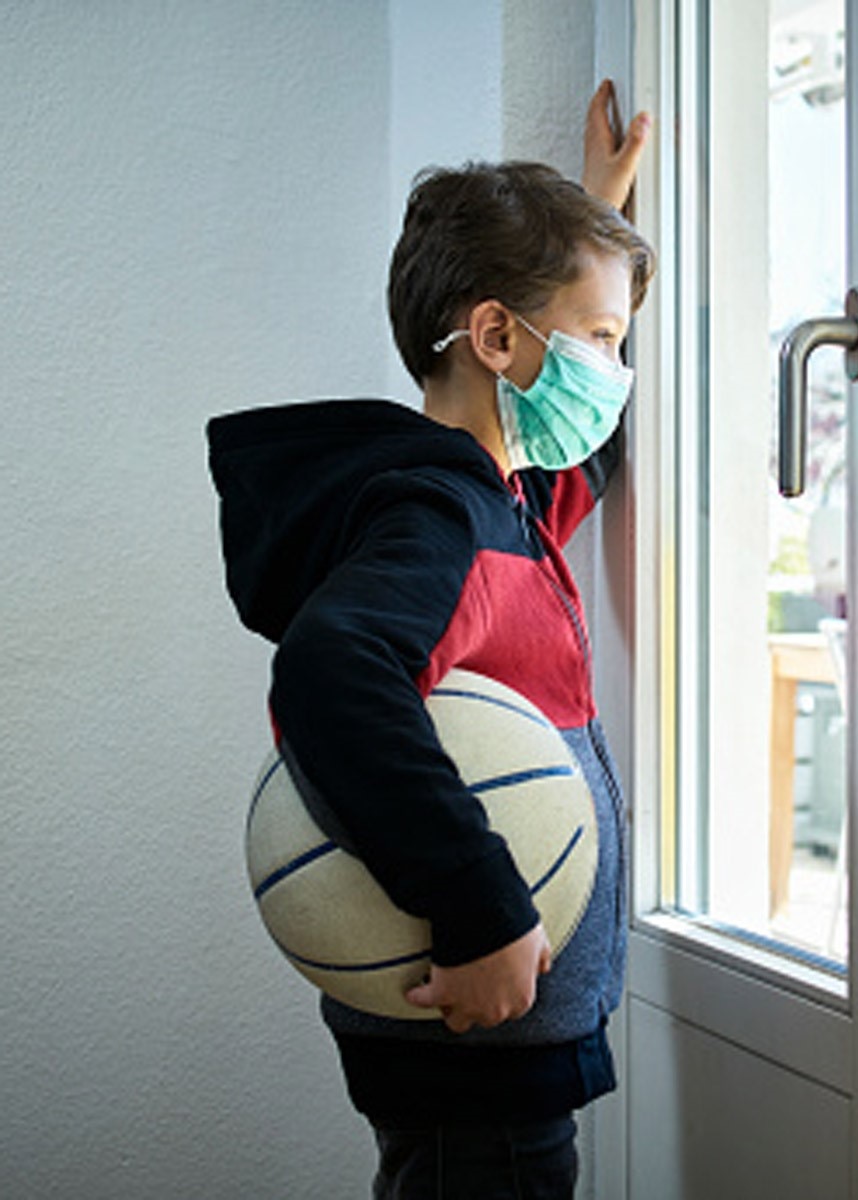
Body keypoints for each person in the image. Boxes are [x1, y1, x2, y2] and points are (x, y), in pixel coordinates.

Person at [207, 80, 653, 1199]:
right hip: (476, 1035)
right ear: (497, 335)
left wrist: (598, 216)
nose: (613, 375)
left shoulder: (503, 501)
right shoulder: (441, 518)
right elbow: (332, 678)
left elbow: (587, 455)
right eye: (602, 340)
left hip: (498, 1039)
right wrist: (484, 915)